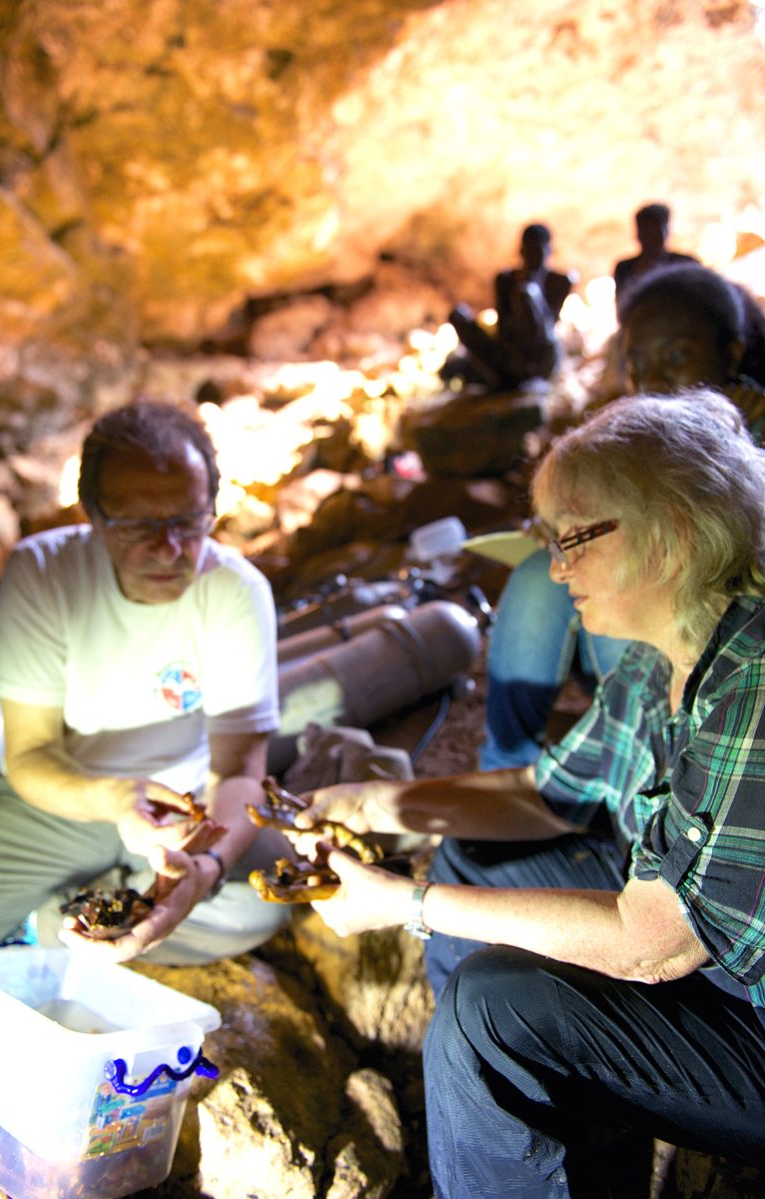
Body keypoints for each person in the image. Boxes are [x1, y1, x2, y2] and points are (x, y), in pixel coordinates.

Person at [288, 391, 765, 1197]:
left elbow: (653, 944)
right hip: (695, 948)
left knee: (491, 1008)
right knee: (478, 862)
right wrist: (379, 804)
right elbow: (547, 795)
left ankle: (491, 1115)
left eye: (573, 537)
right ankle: (560, 1161)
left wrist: (407, 902)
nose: (555, 566)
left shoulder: (749, 683)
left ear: (674, 537)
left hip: (747, 1008)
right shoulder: (661, 660)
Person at [0, 399, 290, 964]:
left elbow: (239, 767)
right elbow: (31, 753)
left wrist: (204, 869)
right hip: (67, 798)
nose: (168, 549)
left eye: (187, 522)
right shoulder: (42, 573)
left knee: (262, 903)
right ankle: (90, 909)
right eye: (139, 525)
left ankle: (52, 922)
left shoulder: (236, 591)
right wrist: (118, 800)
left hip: (187, 811)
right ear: (93, 515)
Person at [479, 262, 765, 773]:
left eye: (677, 356)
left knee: (638, 597)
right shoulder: (633, 441)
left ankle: (653, 805)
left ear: (732, 354)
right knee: (535, 581)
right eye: (637, 364)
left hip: (704, 639)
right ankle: (505, 766)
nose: (653, 379)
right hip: (627, 626)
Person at [441, 223, 575, 391]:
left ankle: (523, 374)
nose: (533, 259)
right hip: (508, 359)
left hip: (540, 360)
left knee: (526, 293)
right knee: (458, 315)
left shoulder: (560, 282)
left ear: (549, 251)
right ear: (521, 252)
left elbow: (545, 330)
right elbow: (503, 325)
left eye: (538, 252)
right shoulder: (505, 280)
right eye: (529, 252)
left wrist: (530, 289)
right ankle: (498, 375)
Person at [612, 202, 697, 305]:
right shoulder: (624, 269)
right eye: (646, 231)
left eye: (655, 232)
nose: (651, 238)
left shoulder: (687, 266)